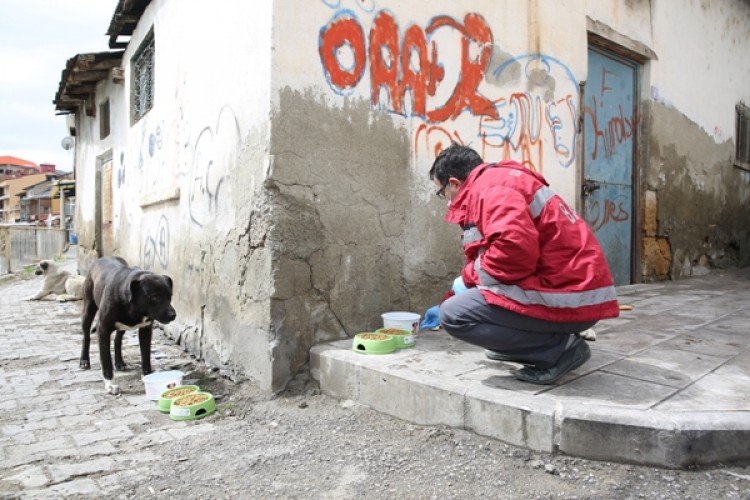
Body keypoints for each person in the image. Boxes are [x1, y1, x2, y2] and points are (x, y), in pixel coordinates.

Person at [428, 143, 619, 385]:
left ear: (454, 183)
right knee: (472, 301)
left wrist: (468, 277)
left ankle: (560, 349)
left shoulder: (491, 190)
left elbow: (513, 253)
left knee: (454, 315)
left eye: (441, 192)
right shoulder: (500, 181)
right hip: (575, 290)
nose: (445, 201)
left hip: (569, 295)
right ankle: (527, 346)